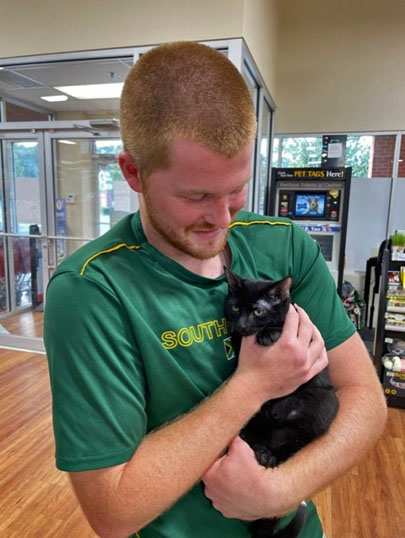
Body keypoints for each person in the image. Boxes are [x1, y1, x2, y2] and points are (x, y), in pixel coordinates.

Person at [44, 41, 387, 538]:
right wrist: (253, 384)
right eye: (197, 196)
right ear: (133, 172)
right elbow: (113, 511)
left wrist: (276, 491)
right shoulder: (92, 290)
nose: (224, 219)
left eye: (236, 190)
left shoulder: (283, 245)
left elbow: (366, 398)